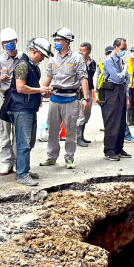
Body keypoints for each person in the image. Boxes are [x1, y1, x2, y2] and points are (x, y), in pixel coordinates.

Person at [39, 28, 89, 169]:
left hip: (71, 98)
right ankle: (51, 156)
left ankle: (69, 158)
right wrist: (40, 93)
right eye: (55, 40)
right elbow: (48, 77)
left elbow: (83, 79)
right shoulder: (53, 58)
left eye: (59, 40)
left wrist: (86, 99)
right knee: (53, 130)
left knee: (70, 130)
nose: (56, 43)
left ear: (67, 42)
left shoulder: (77, 58)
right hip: (55, 98)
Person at [10, 38, 53, 186]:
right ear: (35, 52)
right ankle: (22, 174)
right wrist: (40, 90)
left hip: (30, 108)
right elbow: (20, 88)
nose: (42, 59)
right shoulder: (22, 65)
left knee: (29, 142)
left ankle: (24, 169)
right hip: (22, 110)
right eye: (42, 55)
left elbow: (32, 88)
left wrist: (41, 94)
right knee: (24, 143)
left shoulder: (34, 67)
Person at [0, 28, 22, 175]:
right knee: (4, 132)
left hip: (19, 98)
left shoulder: (24, 58)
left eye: (11, 42)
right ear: (2, 44)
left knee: (18, 133)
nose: (9, 45)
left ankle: (16, 162)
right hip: (4, 97)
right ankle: (6, 162)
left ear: (16, 41)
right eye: (5, 43)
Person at [101, 37, 132, 162]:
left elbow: (126, 80)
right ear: (115, 47)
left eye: (125, 49)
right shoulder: (109, 61)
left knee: (121, 122)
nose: (123, 51)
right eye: (122, 49)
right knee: (112, 121)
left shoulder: (120, 60)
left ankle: (119, 148)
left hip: (121, 91)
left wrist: (127, 97)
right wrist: (124, 70)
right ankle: (109, 150)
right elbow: (118, 78)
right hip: (112, 91)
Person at [76, 42, 96, 147]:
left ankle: (82, 136)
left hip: (88, 91)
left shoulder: (92, 63)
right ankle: (77, 138)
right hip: (79, 91)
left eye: (83, 51)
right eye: (80, 50)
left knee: (87, 114)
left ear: (89, 51)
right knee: (81, 114)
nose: (80, 52)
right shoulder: (77, 62)